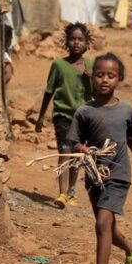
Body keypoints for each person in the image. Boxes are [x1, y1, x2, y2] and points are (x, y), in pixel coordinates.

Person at [67, 53, 132, 264]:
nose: (104, 80)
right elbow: (73, 141)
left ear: (119, 78)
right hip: (95, 176)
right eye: (100, 74)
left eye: (111, 75)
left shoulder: (126, 109)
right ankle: (131, 248)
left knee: (102, 224)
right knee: (108, 228)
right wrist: (82, 150)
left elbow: (130, 139)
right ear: (92, 76)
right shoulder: (84, 112)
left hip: (118, 175)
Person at [36, 23, 93, 209]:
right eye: (73, 39)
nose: (76, 43)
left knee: (78, 155)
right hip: (63, 115)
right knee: (65, 151)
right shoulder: (59, 65)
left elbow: (99, 93)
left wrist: (92, 77)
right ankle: (61, 193)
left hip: (84, 117)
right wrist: (41, 116)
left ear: (87, 43)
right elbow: (49, 91)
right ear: (67, 42)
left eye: (80, 39)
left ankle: (71, 193)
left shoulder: (91, 66)